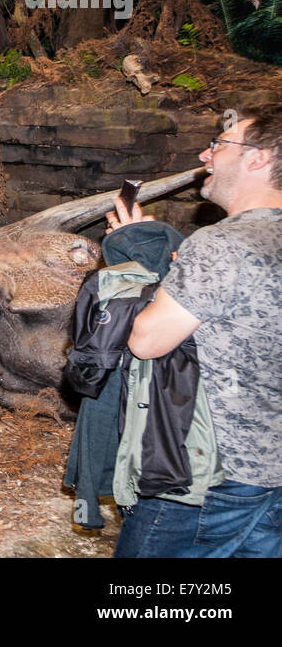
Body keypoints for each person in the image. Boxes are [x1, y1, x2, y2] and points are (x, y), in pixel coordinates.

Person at [105, 102, 282, 557]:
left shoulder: (222, 245)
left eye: (219, 144)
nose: (206, 155)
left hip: (212, 477)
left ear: (257, 158)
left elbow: (147, 341)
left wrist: (132, 259)